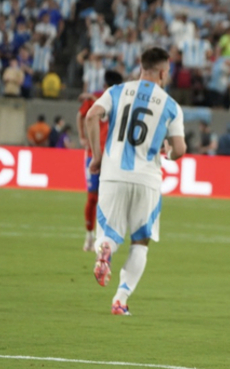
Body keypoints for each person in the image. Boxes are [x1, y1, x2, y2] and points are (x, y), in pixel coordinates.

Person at [85, 47, 186, 315]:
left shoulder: (117, 91)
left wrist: (96, 156)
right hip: (147, 179)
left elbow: (91, 115)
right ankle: (120, 299)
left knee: (108, 233)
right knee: (140, 241)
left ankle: (105, 250)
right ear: (164, 72)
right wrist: (169, 152)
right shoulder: (170, 105)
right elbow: (180, 148)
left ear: (142, 66)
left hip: (113, 173)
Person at [77, 70, 124, 252]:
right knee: (92, 197)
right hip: (94, 153)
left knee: (113, 197)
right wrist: (82, 136)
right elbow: (81, 115)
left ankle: (106, 237)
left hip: (114, 155)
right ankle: (89, 235)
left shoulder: (122, 100)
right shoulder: (95, 98)